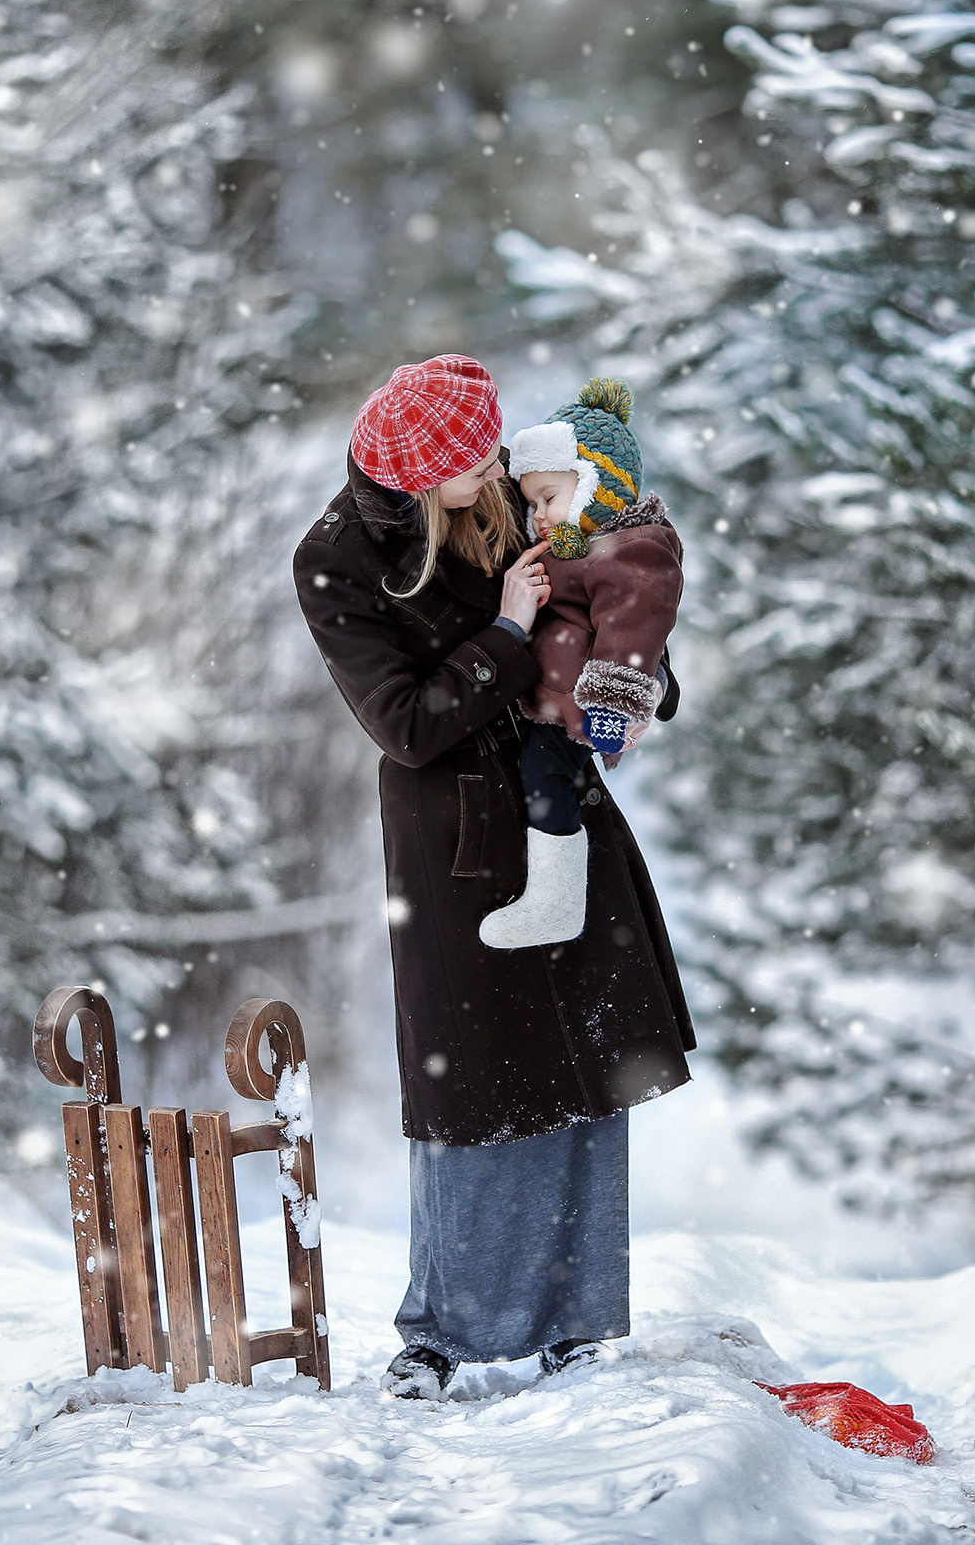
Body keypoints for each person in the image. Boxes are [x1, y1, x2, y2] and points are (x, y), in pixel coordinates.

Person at [292, 353, 696, 1400]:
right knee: (467, 1092)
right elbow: (409, 723)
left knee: (582, 1078)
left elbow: (605, 600)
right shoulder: (334, 560)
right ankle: (443, 1331)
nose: (499, 462)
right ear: (424, 476)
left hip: (563, 814)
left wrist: (637, 689)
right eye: (473, 457)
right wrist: (508, 633)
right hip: (455, 844)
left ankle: (577, 1318)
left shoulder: (504, 500)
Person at [479, 380, 683, 951]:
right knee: (538, 781)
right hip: (558, 708)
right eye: (533, 504)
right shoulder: (579, 551)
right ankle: (552, 896)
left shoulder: (630, 550)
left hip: (589, 711)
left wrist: (614, 704)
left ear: (597, 488)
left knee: (545, 779)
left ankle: (556, 903)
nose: (539, 515)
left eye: (550, 497)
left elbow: (633, 631)